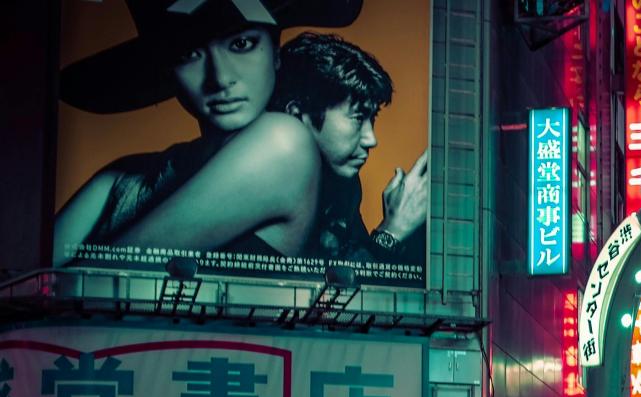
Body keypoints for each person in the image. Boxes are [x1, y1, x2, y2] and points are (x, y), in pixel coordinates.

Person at [52, 0, 363, 265]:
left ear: (275, 53)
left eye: (241, 43)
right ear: (167, 70)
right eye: (189, 53)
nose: (221, 77)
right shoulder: (123, 177)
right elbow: (28, 283)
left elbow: (91, 281)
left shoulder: (283, 142)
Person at [272, 32, 429, 265]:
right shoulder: (266, 187)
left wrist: (406, 216)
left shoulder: (343, 185)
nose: (371, 139)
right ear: (297, 115)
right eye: (358, 117)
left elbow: (354, 279)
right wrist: (392, 230)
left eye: (372, 118)